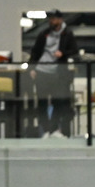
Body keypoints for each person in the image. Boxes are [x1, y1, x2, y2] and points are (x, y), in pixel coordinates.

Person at [28, 10, 78, 138]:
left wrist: (63, 53)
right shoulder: (44, 34)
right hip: (42, 71)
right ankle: (45, 130)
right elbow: (35, 52)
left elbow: (74, 51)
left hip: (58, 73)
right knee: (42, 103)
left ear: (60, 20)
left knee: (58, 102)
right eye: (50, 18)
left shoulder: (67, 34)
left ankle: (54, 129)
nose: (52, 21)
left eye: (54, 19)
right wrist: (31, 68)